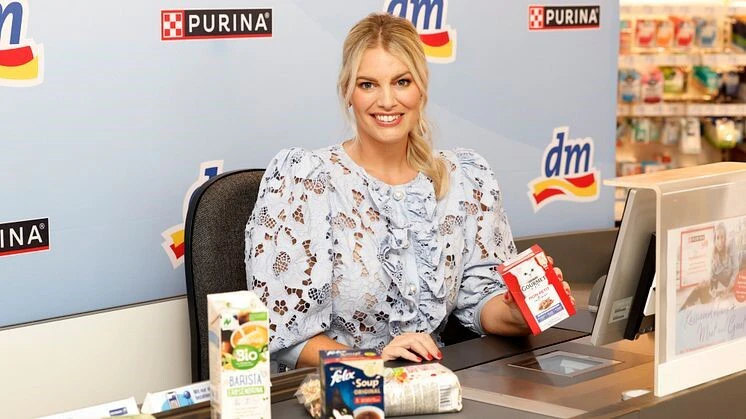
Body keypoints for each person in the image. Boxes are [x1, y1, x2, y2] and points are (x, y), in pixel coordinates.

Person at [245, 13, 573, 372]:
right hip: (339, 390)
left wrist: (519, 311)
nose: (387, 100)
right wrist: (373, 362)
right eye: (368, 84)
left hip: (434, 386)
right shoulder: (306, 181)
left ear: (421, 89)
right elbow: (284, 336)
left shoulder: (465, 178)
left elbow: (481, 300)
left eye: (402, 82)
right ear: (347, 92)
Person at [680, 222, 738, 311]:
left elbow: (736, 270)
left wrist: (728, 289)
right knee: (699, 287)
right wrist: (712, 288)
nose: (720, 241)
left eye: (722, 237)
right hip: (725, 283)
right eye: (717, 238)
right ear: (714, 240)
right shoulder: (713, 257)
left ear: (725, 238)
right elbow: (712, 277)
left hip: (742, 265)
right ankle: (683, 309)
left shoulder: (730, 245)